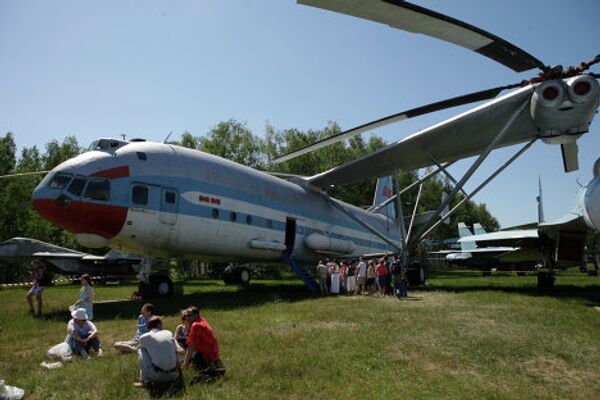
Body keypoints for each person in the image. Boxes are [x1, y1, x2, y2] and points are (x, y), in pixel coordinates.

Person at [182, 306, 225, 383]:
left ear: (196, 315)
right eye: (186, 316)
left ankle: (208, 374)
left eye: (189, 316)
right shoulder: (202, 321)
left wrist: (185, 364)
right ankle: (212, 371)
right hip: (213, 355)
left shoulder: (196, 325)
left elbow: (190, 347)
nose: (187, 318)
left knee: (189, 363)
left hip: (204, 356)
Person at [134, 316, 178, 388]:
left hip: (157, 376)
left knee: (141, 349)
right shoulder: (168, 332)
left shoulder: (144, 337)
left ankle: (145, 381)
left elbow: (140, 348)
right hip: (173, 375)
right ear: (158, 325)